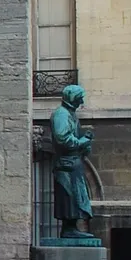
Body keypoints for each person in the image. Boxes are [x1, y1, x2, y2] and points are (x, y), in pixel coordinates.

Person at [50, 84, 95, 238]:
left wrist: (85, 143)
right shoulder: (61, 114)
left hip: (72, 164)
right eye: (80, 97)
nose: (82, 101)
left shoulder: (70, 114)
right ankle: (69, 230)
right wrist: (82, 141)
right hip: (66, 165)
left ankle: (71, 228)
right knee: (69, 197)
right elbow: (63, 139)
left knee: (75, 197)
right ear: (73, 98)